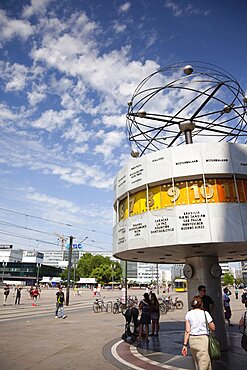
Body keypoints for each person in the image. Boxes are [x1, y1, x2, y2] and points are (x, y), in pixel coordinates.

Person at [182, 295, 215, 370]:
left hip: (192, 340)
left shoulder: (188, 314)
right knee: (203, 363)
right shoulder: (205, 313)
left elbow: (187, 330)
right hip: (203, 340)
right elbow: (213, 328)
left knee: (200, 362)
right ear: (201, 304)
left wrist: (185, 345)